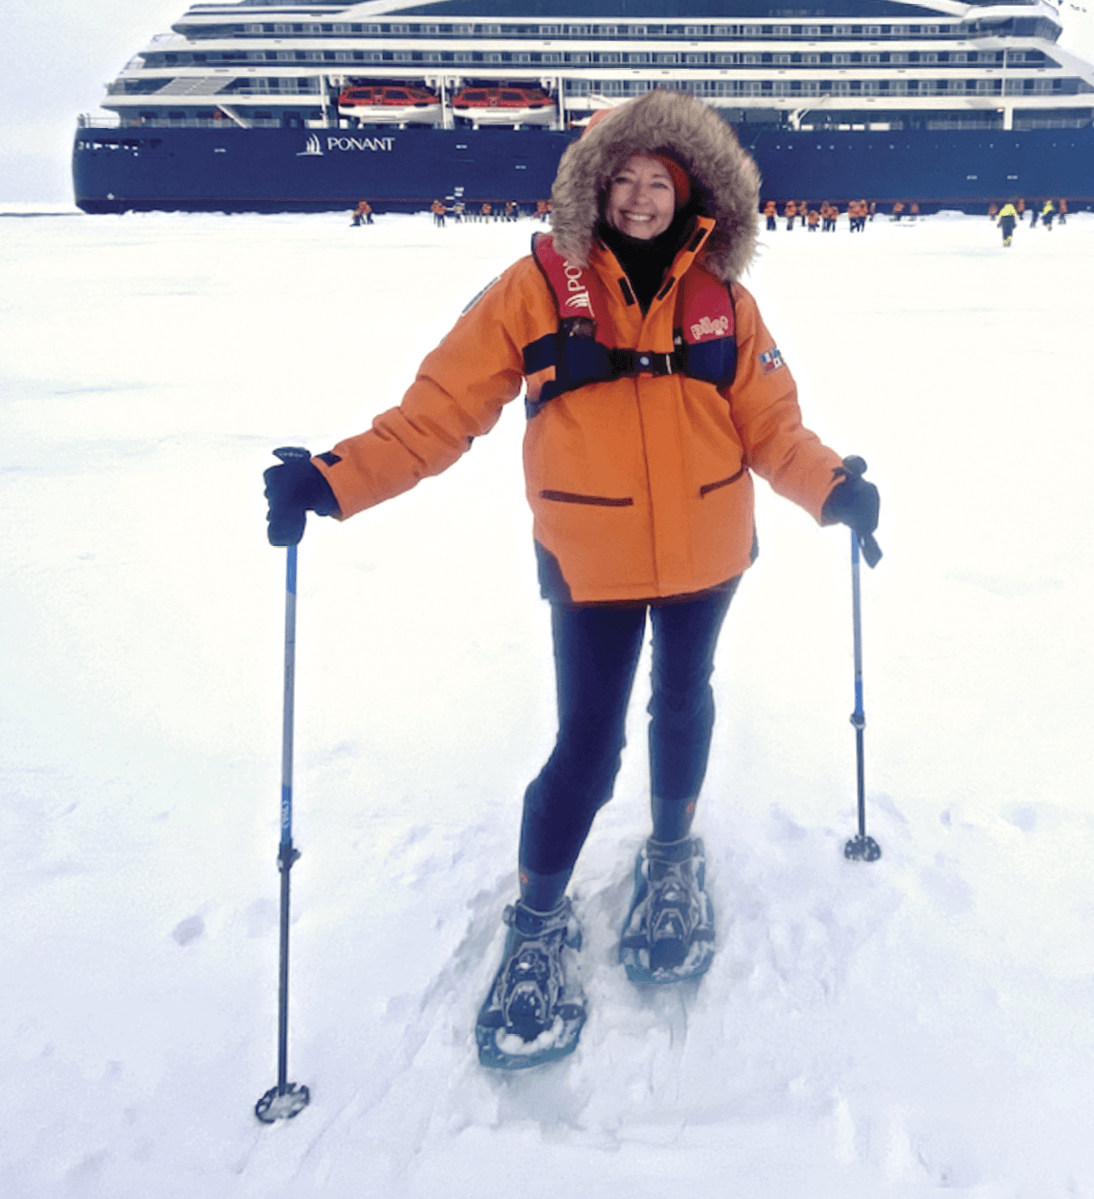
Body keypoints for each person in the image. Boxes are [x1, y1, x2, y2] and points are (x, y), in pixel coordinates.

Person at [262, 88, 881, 1071]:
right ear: (591, 191)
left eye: (659, 184)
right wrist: (335, 481)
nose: (640, 200)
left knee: (683, 701)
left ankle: (672, 858)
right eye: (623, 182)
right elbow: (438, 412)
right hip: (589, 557)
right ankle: (537, 920)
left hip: (707, 549)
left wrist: (832, 487)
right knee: (584, 748)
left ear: (691, 195)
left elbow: (772, 427)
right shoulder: (535, 288)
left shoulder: (725, 299)